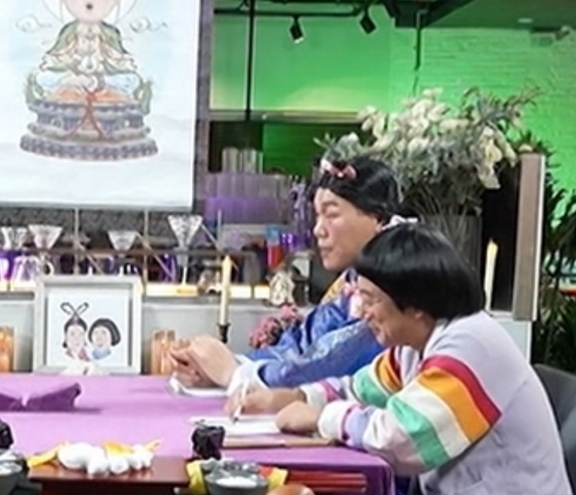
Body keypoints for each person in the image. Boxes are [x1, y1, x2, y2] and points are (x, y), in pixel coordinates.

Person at [263, 224, 576, 495]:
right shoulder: (417, 344)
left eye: (370, 298)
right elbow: (360, 388)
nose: (360, 311)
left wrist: (321, 417)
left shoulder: (469, 347)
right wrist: (294, 397)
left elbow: (400, 439)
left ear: (414, 304)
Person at [167, 157, 406, 408]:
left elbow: (330, 365)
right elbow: (306, 341)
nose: (318, 230)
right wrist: (225, 366)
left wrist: (233, 374)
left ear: (378, 218)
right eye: (318, 216)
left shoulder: (398, 279)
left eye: (332, 215)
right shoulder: (359, 277)